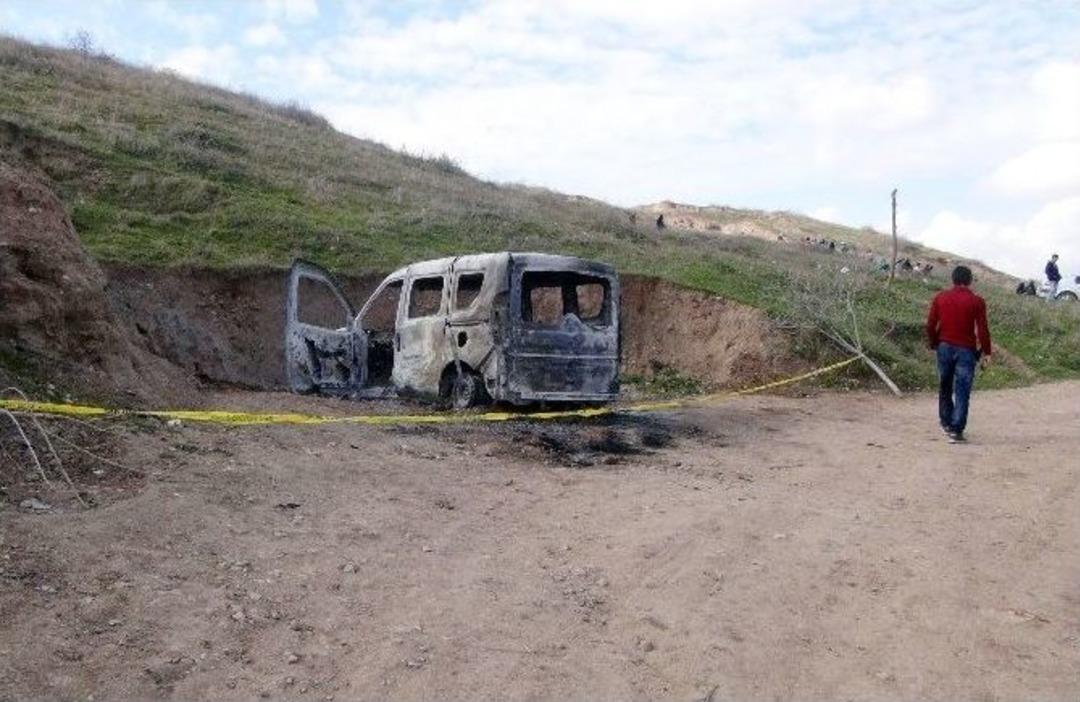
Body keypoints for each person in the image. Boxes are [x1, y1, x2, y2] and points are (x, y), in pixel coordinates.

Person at [925, 265, 992, 443]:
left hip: (944, 347)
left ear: (953, 279)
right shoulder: (977, 301)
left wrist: (934, 343)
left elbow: (931, 325)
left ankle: (946, 422)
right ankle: (956, 430)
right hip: (966, 351)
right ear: (969, 281)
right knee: (962, 390)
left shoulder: (940, 298)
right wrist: (987, 351)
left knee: (945, 385)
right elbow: (982, 329)